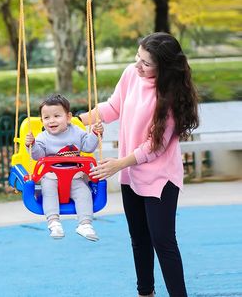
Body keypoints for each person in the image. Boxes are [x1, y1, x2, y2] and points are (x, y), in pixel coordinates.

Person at [79, 32, 199, 296]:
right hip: (130, 175)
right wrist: (75, 121)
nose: (137, 65)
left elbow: (154, 146)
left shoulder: (171, 96)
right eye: (137, 57)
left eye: (145, 62)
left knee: (163, 241)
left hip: (160, 178)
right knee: (139, 238)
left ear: (163, 67)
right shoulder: (131, 75)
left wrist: (120, 163)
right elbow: (112, 107)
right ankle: (146, 292)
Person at [25, 93, 103, 241]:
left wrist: (94, 133)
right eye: (46, 118)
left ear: (68, 117)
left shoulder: (77, 132)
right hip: (51, 177)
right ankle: (54, 222)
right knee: (48, 191)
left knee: (84, 194)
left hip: (75, 176)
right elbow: (37, 155)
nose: (51, 121)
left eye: (56, 116)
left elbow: (88, 147)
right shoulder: (43, 137)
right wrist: (32, 145)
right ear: (42, 121)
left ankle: (85, 224)